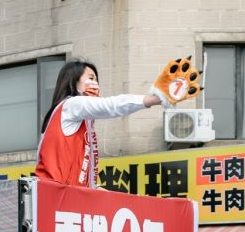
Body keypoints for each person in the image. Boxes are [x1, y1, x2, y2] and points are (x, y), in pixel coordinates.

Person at [34, 58, 200, 189]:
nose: (96, 84)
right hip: (54, 195)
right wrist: (156, 98)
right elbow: (112, 105)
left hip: (65, 196)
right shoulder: (71, 105)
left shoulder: (80, 119)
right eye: (91, 78)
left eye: (97, 80)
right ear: (73, 82)